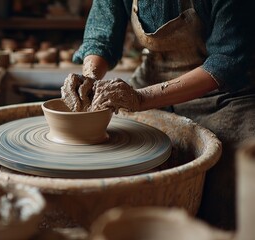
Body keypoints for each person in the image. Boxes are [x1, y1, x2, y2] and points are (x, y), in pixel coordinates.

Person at [71, 0, 255, 230]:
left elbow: (227, 61)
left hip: (222, 93)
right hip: (152, 79)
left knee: (237, 165)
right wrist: (90, 79)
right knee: (101, 148)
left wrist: (141, 99)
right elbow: (100, 37)